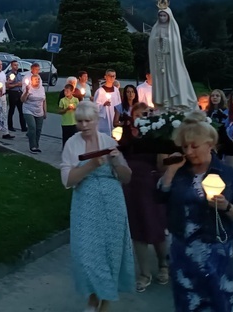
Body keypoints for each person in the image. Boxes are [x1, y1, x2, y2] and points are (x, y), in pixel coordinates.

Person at [158, 111, 233, 312]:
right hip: (183, 251)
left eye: (194, 146)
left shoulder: (227, 174)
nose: (188, 151)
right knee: (187, 302)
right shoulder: (179, 173)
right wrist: (170, 172)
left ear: (210, 144)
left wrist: (227, 207)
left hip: (215, 251)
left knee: (218, 301)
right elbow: (160, 197)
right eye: (184, 146)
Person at [60, 102, 134, 311]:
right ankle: (93, 296)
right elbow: (67, 180)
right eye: (79, 121)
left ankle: (107, 301)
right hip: (86, 205)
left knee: (111, 252)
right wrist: (92, 164)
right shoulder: (72, 145)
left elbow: (127, 178)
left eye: (88, 120)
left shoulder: (108, 141)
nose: (83, 125)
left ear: (97, 120)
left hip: (112, 204)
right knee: (87, 255)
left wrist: (117, 161)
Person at [118, 102, 169, 293]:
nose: (142, 117)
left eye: (146, 114)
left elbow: (162, 165)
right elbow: (119, 154)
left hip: (151, 185)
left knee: (156, 226)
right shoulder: (126, 133)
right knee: (137, 229)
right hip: (131, 186)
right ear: (132, 115)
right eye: (139, 114)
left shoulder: (156, 134)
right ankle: (144, 273)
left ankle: (164, 264)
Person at [147, 0, 198, 109]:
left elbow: (175, 43)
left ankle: (176, 102)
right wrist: (157, 41)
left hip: (171, 60)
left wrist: (166, 41)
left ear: (169, 16)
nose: (162, 18)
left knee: (174, 78)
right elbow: (152, 44)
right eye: (160, 16)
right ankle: (163, 102)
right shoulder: (156, 28)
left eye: (164, 16)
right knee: (162, 81)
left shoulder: (173, 28)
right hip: (160, 62)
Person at [21, 73, 46, 154]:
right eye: (36, 79)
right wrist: (27, 92)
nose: (37, 81)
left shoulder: (42, 88)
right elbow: (22, 100)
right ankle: (32, 146)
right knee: (32, 128)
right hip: (28, 110)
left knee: (38, 129)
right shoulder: (28, 88)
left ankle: (36, 146)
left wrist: (45, 111)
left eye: (38, 79)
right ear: (31, 81)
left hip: (39, 111)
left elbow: (44, 100)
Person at [94, 69, 121, 136]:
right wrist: (103, 105)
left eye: (113, 76)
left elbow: (119, 104)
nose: (112, 78)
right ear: (105, 77)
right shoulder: (100, 91)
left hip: (114, 117)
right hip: (104, 119)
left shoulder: (116, 90)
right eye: (110, 76)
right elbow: (95, 106)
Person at [0, 59, 13, 139]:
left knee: (4, 113)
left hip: (3, 95)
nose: (0, 66)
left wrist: (9, 82)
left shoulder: (3, 73)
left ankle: (5, 132)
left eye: (1, 64)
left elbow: (4, 84)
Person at [6, 60, 27, 132]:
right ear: (11, 66)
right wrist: (16, 84)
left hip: (19, 93)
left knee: (21, 110)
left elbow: (21, 83)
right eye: (15, 65)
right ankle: (10, 126)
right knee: (12, 110)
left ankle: (23, 127)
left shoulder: (19, 74)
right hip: (13, 93)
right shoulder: (10, 74)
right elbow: (8, 85)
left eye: (17, 65)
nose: (16, 66)